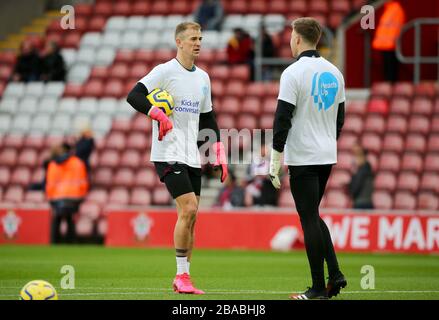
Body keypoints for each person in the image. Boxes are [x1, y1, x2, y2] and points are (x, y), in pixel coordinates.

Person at [126, 22, 228, 295]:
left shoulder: (203, 78)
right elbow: (134, 95)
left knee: (191, 217)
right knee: (190, 208)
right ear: (179, 42)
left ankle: (183, 276)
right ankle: (181, 275)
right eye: (193, 38)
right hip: (167, 152)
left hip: (191, 155)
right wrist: (156, 114)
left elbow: (207, 117)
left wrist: (217, 148)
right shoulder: (164, 71)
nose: (198, 42)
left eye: (200, 38)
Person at [269, 18, 347, 300]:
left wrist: (275, 158)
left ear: (298, 39)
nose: (290, 41)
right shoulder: (335, 73)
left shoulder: (293, 73)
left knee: (308, 218)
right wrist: (327, 141)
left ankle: (317, 288)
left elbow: (282, 118)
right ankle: (335, 275)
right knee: (313, 215)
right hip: (326, 155)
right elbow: (340, 117)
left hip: (303, 156)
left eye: (291, 36)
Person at [45, 143, 89, 244]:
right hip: (74, 195)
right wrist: (82, 195)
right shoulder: (78, 163)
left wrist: (50, 197)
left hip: (57, 196)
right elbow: (83, 181)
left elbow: (50, 182)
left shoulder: (53, 164)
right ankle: (71, 241)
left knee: (57, 218)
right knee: (70, 218)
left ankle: (55, 241)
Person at [372, 0, 405, 83]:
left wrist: (393, 41)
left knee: (391, 70)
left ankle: (390, 87)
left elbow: (396, 28)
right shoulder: (390, 9)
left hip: (390, 45)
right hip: (386, 44)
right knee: (387, 69)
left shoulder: (396, 9)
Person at [245, 141, 278, 206]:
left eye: (265, 149)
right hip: (255, 183)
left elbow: (275, 176)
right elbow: (248, 176)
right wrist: (255, 176)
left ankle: (267, 204)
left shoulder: (271, 162)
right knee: (249, 189)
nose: (263, 151)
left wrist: (266, 176)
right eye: (262, 149)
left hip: (267, 185)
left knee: (266, 187)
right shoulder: (254, 162)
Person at [348, 143, 374, 209]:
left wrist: (350, 189)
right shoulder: (367, 169)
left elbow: (356, 186)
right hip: (365, 202)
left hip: (361, 204)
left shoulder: (362, 170)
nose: (355, 160)